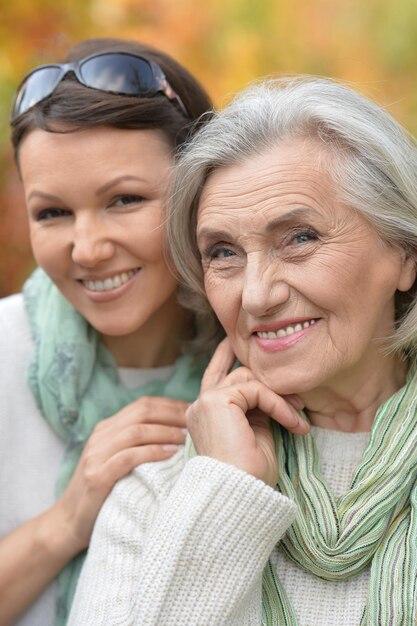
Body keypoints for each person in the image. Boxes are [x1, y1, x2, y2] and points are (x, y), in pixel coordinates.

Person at [68, 77, 417, 626]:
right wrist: (224, 494)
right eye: (223, 252)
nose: (256, 295)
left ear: (404, 253)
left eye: (299, 237)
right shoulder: (154, 495)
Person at [0, 37, 212, 626]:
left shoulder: (266, 362)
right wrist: (70, 518)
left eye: (124, 199)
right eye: (52, 213)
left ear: (199, 191)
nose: (88, 250)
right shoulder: (4, 352)